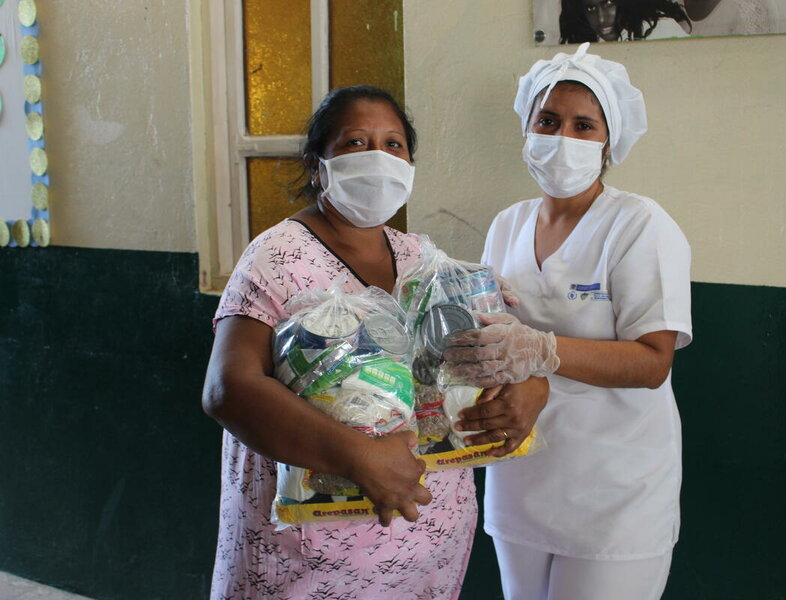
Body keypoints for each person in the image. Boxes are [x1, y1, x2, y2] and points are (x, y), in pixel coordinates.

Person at [202, 85, 537, 599]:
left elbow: (467, 365)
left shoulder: (423, 257)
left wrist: (527, 383)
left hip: (430, 542)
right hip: (313, 554)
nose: (378, 157)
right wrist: (358, 456)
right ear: (319, 167)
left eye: (394, 144)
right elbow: (229, 388)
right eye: (356, 142)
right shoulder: (277, 255)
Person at [444, 44, 693, 600]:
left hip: (612, 489)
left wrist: (541, 349)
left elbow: (654, 362)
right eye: (549, 121)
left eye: (584, 126)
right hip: (520, 476)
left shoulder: (637, 225)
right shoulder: (508, 225)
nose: (563, 139)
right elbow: (491, 346)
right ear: (527, 127)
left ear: (609, 142)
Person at [559, 0, 690, 43]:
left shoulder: (661, 29)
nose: (601, 19)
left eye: (608, 3)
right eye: (591, 8)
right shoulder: (588, 42)